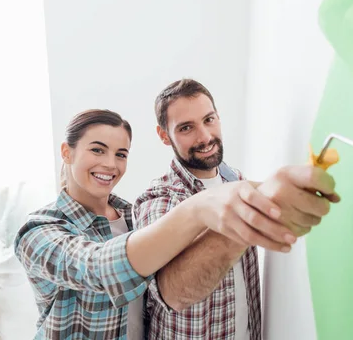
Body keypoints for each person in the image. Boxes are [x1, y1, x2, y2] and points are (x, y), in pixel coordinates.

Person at [14, 108, 337, 340]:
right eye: (97, 150)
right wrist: (197, 208)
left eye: (121, 153)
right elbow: (100, 268)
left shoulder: (130, 215)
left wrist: (273, 193)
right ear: (66, 153)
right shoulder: (39, 231)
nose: (110, 164)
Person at [134, 79, 340, 340]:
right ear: (164, 136)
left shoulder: (234, 179)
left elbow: (267, 189)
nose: (205, 137)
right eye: (186, 128)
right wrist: (250, 218)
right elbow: (175, 294)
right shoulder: (158, 199)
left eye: (209, 120)